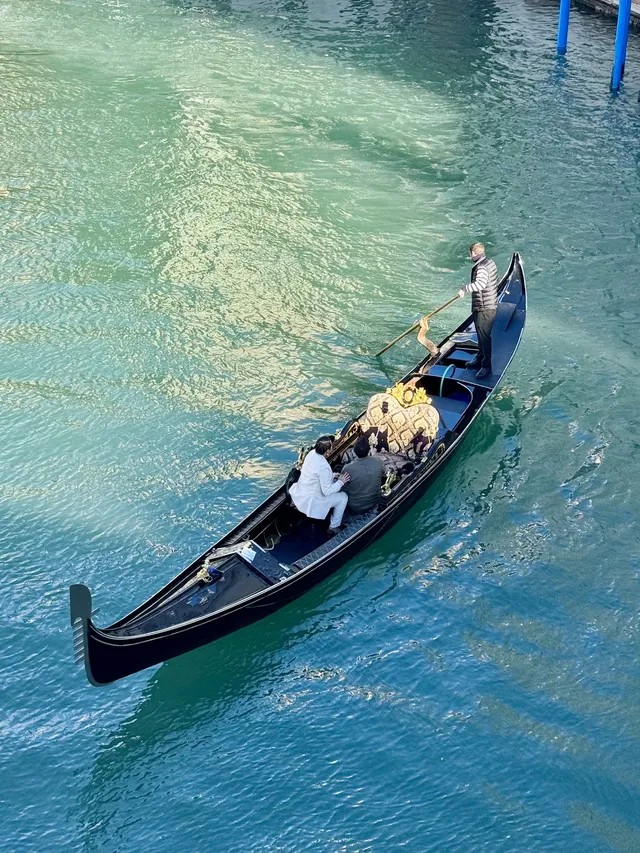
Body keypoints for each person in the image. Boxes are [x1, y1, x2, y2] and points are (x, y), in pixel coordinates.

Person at [289, 435, 351, 536]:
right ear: (327, 451)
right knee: (343, 497)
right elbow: (327, 491)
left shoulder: (311, 454)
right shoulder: (324, 467)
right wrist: (341, 482)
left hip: (302, 491)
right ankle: (333, 527)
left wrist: (333, 475)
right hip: (314, 499)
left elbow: (316, 474)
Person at [456, 241, 498, 380]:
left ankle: (486, 366)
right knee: (481, 336)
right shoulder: (489, 261)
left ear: (473, 253)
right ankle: (479, 358)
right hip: (487, 304)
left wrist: (463, 289)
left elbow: (480, 284)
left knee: (484, 337)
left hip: (484, 307)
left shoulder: (481, 267)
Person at [341, 436, 384, 513]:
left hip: (355, 506)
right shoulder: (378, 461)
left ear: (354, 451)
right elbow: (384, 473)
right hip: (374, 501)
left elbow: (342, 487)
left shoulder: (348, 468)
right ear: (368, 450)